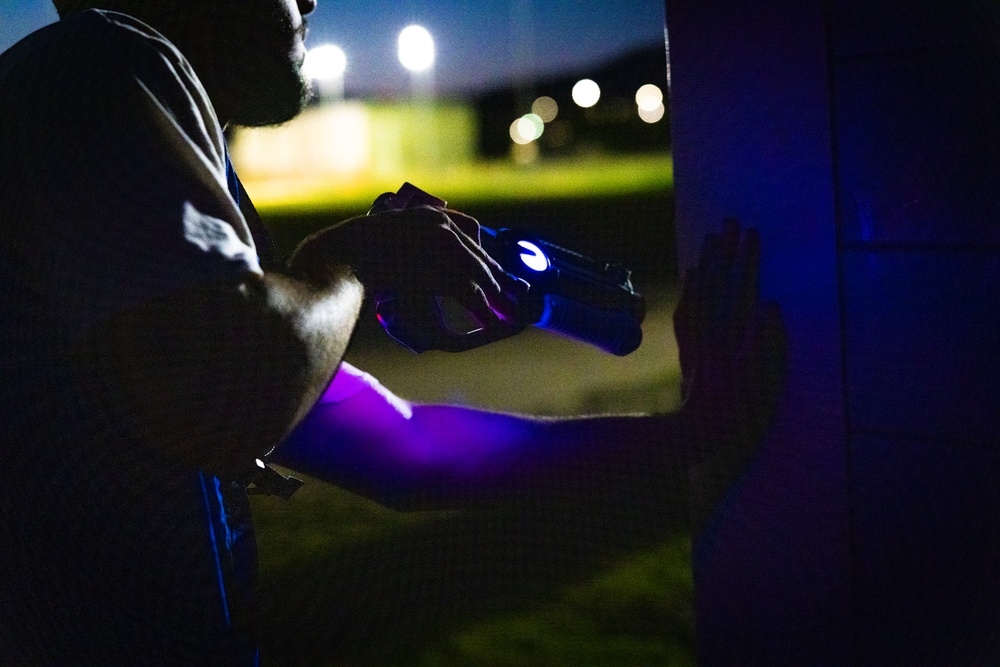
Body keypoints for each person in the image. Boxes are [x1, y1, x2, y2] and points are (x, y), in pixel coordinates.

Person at [0, 0, 785, 664]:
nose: (310, 0)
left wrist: (696, 430)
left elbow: (409, 448)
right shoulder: (97, 60)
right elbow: (230, 391)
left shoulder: (140, 182)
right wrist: (353, 259)